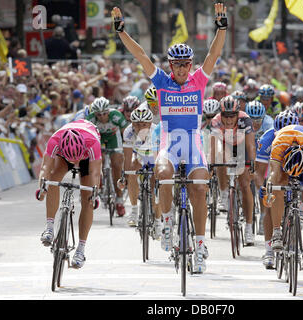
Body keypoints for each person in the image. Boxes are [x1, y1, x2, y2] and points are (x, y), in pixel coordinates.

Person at [111, 2, 227, 273]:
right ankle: (166, 223)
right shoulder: (162, 82)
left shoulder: (198, 81)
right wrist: (121, 33)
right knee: (163, 174)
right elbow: (140, 55)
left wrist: (221, 27)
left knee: (199, 189)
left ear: (190, 65)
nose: (182, 69)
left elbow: (214, 52)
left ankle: (199, 245)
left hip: (193, 142)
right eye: (177, 64)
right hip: (169, 143)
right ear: (171, 65)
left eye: (186, 64)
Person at [37, 119, 102, 269]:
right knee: (52, 178)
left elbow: (95, 173)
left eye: (76, 158)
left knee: (88, 198)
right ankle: (49, 227)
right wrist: (42, 187)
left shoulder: (93, 143)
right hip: (64, 153)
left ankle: (80, 249)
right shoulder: (55, 140)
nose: (75, 161)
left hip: (88, 157)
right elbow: (45, 167)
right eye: (72, 159)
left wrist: (94, 193)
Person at [262, 124, 303, 270]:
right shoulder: (278, 145)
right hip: (283, 159)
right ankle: (277, 232)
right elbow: (273, 174)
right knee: (278, 185)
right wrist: (270, 190)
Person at [255, 111, 300, 269]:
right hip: (273, 170)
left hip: (294, 168)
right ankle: (269, 249)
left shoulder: (302, 137)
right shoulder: (267, 139)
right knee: (270, 203)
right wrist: (263, 188)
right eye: (280, 134)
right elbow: (259, 172)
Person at [210, 96, 256, 246]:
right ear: (220, 115)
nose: (229, 120)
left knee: (244, 184)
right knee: (220, 158)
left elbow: (250, 145)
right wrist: (212, 165)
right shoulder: (216, 121)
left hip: (243, 147)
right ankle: (224, 193)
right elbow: (213, 146)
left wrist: (252, 163)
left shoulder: (245, 120)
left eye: (232, 116)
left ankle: (249, 228)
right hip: (226, 145)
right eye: (226, 116)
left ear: (237, 114)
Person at [121, 104, 162, 238]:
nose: (140, 128)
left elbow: (161, 156)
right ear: (132, 123)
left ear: (150, 124)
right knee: (132, 171)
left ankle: (157, 222)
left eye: (144, 124)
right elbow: (127, 158)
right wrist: (124, 177)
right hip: (139, 156)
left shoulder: (157, 132)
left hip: (154, 157)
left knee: (156, 186)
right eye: (137, 124)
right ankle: (133, 210)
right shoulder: (128, 132)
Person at [86, 97, 129, 216]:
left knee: (116, 165)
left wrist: (128, 146)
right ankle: (99, 177)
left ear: (108, 112)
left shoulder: (116, 116)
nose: (102, 117)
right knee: (99, 158)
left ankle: (119, 201)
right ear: (95, 114)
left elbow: (126, 132)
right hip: (98, 139)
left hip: (113, 138)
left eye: (105, 114)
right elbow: (87, 137)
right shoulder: (90, 119)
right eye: (99, 115)